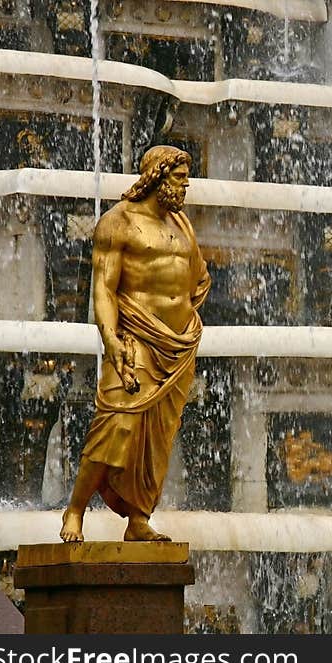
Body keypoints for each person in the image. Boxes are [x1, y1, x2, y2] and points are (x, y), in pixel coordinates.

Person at [60, 145, 210, 542]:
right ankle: (75, 510)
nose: (186, 184)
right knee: (118, 425)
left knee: (158, 439)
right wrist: (110, 337)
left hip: (177, 345)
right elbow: (104, 290)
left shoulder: (182, 224)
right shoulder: (118, 222)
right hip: (135, 339)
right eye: (179, 177)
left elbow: (195, 277)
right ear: (158, 177)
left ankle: (139, 519)